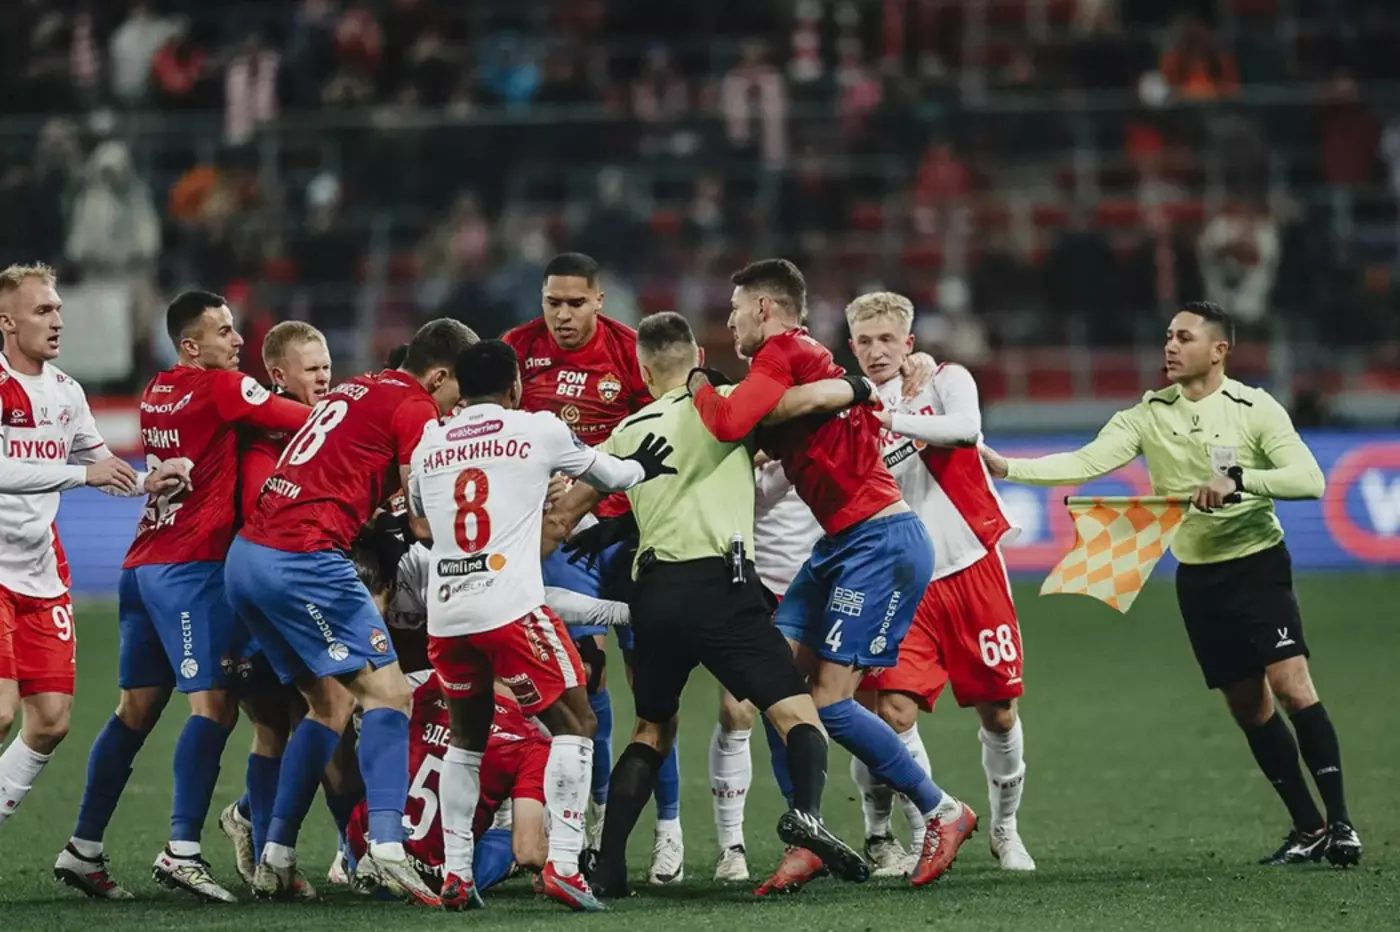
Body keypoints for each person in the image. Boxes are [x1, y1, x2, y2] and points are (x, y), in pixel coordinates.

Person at [981, 300, 1361, 868]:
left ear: (1219, 350)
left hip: (1257, 564)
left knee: (1291, 685)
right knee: (1248, 707)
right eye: (1168, 336)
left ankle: (1343, 825)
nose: (1171, 346)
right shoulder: (1148, 414)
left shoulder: (1254, 407)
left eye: (1184, 337)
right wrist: (1007, 467)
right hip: (1198, 578)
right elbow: (1085, 462)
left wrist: (1239, 480)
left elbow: (1309, 479)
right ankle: (1309, 827)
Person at [545, 311, 871, 899]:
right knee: (798, 715)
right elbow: (798, 406)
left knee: (651, 729)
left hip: (655, 593)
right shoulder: (726, 407)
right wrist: (857, 386)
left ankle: (609, 866)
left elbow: (563, 517)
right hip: (724, 587)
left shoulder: (625, 432)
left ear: (643, 372)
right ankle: (807, 817)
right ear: (696, 356)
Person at [689, 259, 974, 893]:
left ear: (764, 309)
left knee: (831, 705)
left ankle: (941, 810)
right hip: (839, 544)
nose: (730, 322)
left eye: (736, 310)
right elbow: (770, 428)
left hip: (879, 540)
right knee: (773, 683)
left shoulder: (782, 353)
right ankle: (807, 835)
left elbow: (728, 422)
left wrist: (700, 385)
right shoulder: (806, 364)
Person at [55, 290, 309, 903]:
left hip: (142, 562)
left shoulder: (157, 389)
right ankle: (182, 850)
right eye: (225, 332)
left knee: (134, 711)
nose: (239, 341)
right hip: (189, 569)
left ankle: (83, 846)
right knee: (215, 707)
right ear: (192, 345)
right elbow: (304, 420)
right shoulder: (222, 387)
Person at [408, 338, 677, 912]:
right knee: (578, 723)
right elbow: (614, 475)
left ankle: (456, 875)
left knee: (466, 740)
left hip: (447, 612)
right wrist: (641, 466)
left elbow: (422, 513)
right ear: (514, 386)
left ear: (460, 387)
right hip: (509, 607)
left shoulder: (431, 440)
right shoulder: (537, 429)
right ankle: (565, 865)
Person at [223, 318, 478, 906]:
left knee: (329, 704)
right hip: (304, 558)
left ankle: (276, 855)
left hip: (249, 558)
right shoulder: (414, 406)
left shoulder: (357, 387)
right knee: (391, 694)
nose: (453, 405)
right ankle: (386, 848)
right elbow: (422, 518)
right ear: (438, 375)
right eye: (455, 393)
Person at [502, 252, 684, 882]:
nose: (563, 314)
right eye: (553, 302)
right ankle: (600, 814)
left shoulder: (630, 351)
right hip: (563, 539)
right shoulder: (518, 349)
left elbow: (667, 432)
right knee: (584, 677)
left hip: (629, 535)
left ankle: (669, 827)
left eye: (576, 303)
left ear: (599, 300)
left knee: (652, 686)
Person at [846, 292, 1035, 873]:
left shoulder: (946, 379)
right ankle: (923, 830)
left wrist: (891, 418)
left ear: (908, 342)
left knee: (999, 713)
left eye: (887, 339)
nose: (876, 351)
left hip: (973, 566)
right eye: (864, 341)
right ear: (851, 347)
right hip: (904, 580)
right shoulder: (849, 408)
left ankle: (1006, 828)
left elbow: (967, 430)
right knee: (892, 714)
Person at [0, 264, 186, 830]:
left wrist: (149, 481)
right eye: (43, 310)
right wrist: (82, 475)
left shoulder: (66, 392)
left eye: (58, 308)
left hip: (40, 570)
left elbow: (104, 466)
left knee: (50, 721)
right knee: (1, 711)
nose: (57, 320)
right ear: (7, 322)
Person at [218, 321, 335, 896]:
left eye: (327, 366)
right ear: (278, 376)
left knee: (326, 718)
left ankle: (264, 827)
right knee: (273, 723)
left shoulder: (327, 426)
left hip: (309, 589)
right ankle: (267, 846)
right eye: (311, 369)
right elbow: (262, 507)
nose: (324, 377)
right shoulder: (262, 437)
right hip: (259, 598)